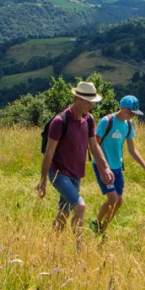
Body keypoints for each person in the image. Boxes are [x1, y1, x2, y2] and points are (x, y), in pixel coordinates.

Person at [37, 81, 114, 238]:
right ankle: (79, 249)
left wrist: (105, 167)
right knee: (80, 206)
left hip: (76, 174)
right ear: (77, 99)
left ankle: (50, 246)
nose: (91, 106)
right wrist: (43, 180)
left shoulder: (89, 120)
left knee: (63, 212)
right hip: (58, 174)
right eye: (88, 102)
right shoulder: (59, 122)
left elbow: (94, 147)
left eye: (92, 103)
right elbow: (49, 153)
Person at [89, 95, 145, 238]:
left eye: (134, 114)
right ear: (122, 108)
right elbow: (94, 146)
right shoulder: (107, 121)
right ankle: (95, 223)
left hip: (117, 167)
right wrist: (101, 170)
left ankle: (102, 230)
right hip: (103, 166)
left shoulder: (128, 125)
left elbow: (132, 149)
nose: (132, 116)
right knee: (112, 199)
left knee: (119, 202)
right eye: (130, 112)